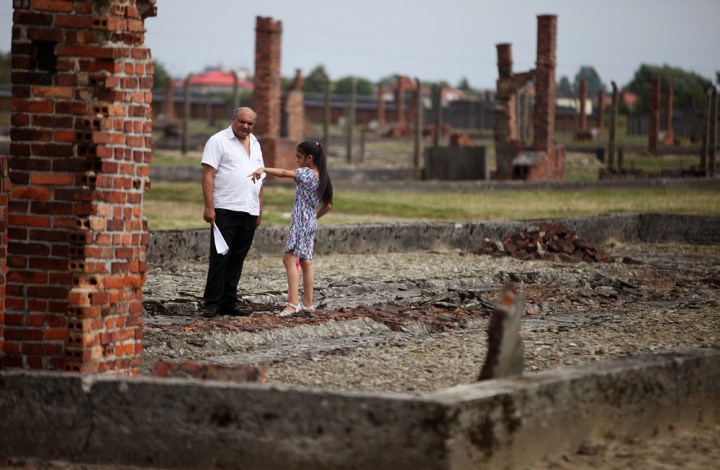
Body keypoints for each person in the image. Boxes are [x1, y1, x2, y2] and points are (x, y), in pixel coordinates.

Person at [249, 141, 333, 317]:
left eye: (299, 157)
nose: (296, 160)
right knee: (306, 261)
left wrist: (263, 169)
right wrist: (313, 218)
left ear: (309, 158)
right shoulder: (323, 177)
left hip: (301, 221)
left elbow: (283, 173)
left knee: (289, 258)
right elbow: (329, 205)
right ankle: (309, 304)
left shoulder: (305, 173)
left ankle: (293, 303)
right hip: (309, 222)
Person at [201, 107, 264, 318]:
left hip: (249, 209)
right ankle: (211, 303)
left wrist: (259, 208)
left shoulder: (255, 144)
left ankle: (229, 302)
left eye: (250, 124)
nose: (246, 126)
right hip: (225, 208)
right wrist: (209, 207)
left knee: (238, 257)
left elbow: (260, 178)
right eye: (242, 122)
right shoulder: (218, 141)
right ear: (233, 119)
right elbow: (208, 175)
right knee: (220, 257)